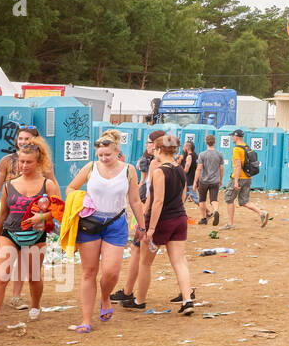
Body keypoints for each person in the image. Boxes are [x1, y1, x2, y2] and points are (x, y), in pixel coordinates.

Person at [65, 131, 142, 332]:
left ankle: (105, 297)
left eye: (107, 154)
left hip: (116, 223)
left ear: (118, 152)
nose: (103, 158)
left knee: (111, 271)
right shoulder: (91, 167)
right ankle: (86, 319)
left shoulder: (129, 170)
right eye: (100, 155)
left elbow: (134, 200)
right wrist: (81, 200)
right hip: (89, 223)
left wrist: (141, 227)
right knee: (89, 272)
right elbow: (71, 188)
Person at [0, 141, 60, 335]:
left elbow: (59, 210)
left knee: (34, 277)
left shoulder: (47, 184)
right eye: (21, 162)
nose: (24, 166)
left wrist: (41, 217)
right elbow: (3, 214)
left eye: (28, 162)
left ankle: (35, 305)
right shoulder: (9, 185)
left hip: (36, 236)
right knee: (2, 278)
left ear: (39, 162)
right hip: (10, 234)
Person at [127, 134, 195, 313]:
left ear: (158, 150)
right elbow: (182, 195)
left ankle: (139, 300)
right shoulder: (179, 168)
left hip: (162, 221)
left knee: (145, 263)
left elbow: (158, 202)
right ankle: (187, 299)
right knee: (179, 262)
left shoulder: (159, 171)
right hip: (180, 218)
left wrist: (150, 229)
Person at [112, 129, 166, 304]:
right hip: (170, 215)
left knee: (141, 255)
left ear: (157, 144)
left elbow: (153, 194)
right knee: (174, 256)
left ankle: (132, 294)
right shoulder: (173, 164)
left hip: (153, 215)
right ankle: (187, 294)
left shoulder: (155, 164)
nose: (147, 145)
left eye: (150, 142)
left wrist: (144, 214)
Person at [223, 129, 269, 229]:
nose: (232, 138)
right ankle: (261, 213)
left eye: (233, 136)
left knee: (229, 199)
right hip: (248, 177)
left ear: (236, 137)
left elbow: (238, 166)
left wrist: (235, 181)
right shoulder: (247, 147)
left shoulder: (237, 149)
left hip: (239, 177)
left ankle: (230, 224)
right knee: (244, 201)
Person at [194, 134, 223, 226]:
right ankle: (216, 211)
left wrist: (195, 181)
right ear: (214, 142)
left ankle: (203, 219)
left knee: (202, 200)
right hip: (215, 181)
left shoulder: (202, 154)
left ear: (206, 142)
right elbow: (221, 168)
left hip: (204, 181)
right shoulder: (219, 154)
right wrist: (221, 179)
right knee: (214, 199)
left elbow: (198, 169)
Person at [179, 139, 199, 206]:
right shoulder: (195, 155)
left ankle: (207, 212)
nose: (183, 148)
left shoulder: (189, 157)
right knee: (182, 198)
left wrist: (179, 171)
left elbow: (186, 170)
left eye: (184, 147)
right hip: (192, 179)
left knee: (195, 198)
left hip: (189, 180)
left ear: (187, 148)